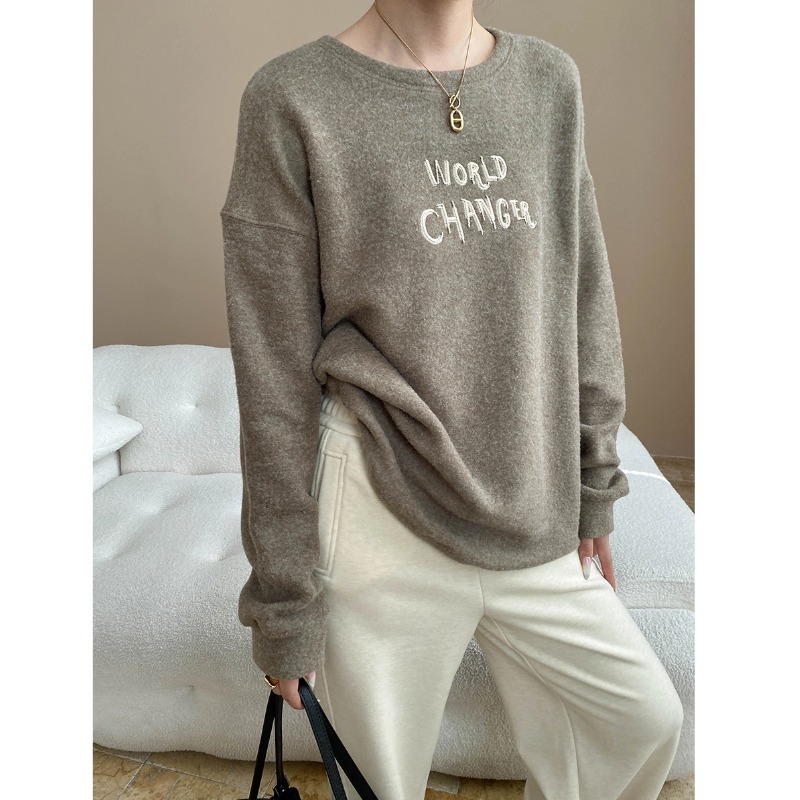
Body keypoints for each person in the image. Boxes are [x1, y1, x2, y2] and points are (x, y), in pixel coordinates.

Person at [220, 2, 685, 798]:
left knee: (642, 721)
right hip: (376, 507)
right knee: (381, 784)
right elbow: (273, 375)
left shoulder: (548, 81)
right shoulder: (292, 97)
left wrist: (595, 478)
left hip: (530, 499)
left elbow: (583, 295)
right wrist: (284, 599)